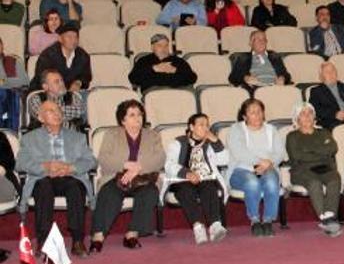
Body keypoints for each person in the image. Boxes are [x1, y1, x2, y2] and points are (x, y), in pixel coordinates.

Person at [17, 101, 95, 257]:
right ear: (40, 117)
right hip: (43, 177)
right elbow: (21, 163)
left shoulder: (77, 137)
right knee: (44, 187)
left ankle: (78, 240)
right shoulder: (29, 138)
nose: (57, 113)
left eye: (58, 110)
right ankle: (44, 241)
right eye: (50, 111)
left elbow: (91, 161)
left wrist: (70, 168)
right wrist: (46, 166)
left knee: (75, 186)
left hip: (70, 175)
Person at [90, 100, 165, 251]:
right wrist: (125, 165)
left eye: (139, 114)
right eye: (132, 115)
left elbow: (160, 158)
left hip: (143, 177)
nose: (137, 118)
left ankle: (132, 234)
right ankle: (98, 236)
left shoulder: (152, 135)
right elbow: (103, 159)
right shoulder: (111, 134)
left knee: (150, 192)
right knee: (109, 193)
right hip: (116, 176)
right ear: (123, 120)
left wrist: (139, 167)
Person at [164, 113, 228, 244]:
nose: (206, 128)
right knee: (185, 190)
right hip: (183, 179)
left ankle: (215, 225)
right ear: (191, 127)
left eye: (207, 125)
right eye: (201, 125)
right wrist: (187, 173)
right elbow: (169, 164)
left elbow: (225, 160)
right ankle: (198, 226)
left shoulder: (210, 144)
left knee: (209, 187)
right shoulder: (179, 142)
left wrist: (216, 142)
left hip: (205, 177)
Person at [226, 99, 283, 237]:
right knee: (252, 182)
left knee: (271, 182)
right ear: (244, 116)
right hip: (241, 170)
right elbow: (239, 152)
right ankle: (255, 220)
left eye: (259, 111)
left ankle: (268, 220)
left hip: (268, 167)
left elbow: (280, 153)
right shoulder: (236, 129)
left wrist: (269, 163)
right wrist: (260, 162)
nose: (257, 115)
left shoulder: (271, 130)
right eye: (252, 112)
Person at [286, 103, 344, 236]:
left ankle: (330, 215)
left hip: (324, 167)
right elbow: (297, 156)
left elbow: (332, 149)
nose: (307, 117)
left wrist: (309, 150)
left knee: (334, 179)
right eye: (303, 114)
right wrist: (321, 151)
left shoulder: (324, 132)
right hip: (302, 170)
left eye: (310, 113)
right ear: (297, 118)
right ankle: (324, 219)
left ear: (314, 116)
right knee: (314, 183)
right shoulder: (292, 136)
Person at [31, 21, 91, 92]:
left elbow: (86, 77)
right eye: (69, 37)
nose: (73, 40)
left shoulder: (83, 56)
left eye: (76, 37)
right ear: (60, 39)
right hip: (46, 93)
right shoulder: (48, 55)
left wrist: (78, 83)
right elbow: (42, 79)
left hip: (72, 94)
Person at [128, 34, 197, 93]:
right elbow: (133, 78)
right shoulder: (144, 61)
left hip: (179, 90)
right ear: (152, 47)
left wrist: (176, 70)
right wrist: (153, 69)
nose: (164, 49)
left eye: (166, 46)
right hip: (155, 91)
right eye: (159, 45)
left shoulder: (178, 61)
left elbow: (193, 78)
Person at [309, 62, 344, 130]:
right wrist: (335, 114)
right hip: (331, 122)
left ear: (336, 73)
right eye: (327, 72)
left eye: (333, 70)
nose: (331, 73)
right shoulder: (316, 91)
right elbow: (314, 110)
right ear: (321, 76)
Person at [0, 37, 27, 130]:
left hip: (9, 98)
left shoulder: (13, 61)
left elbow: (24, 81)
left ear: (2, 46)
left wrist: (3, 82)